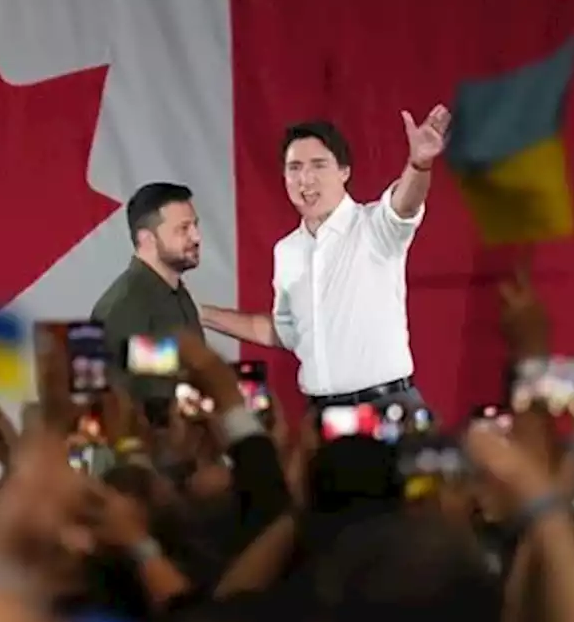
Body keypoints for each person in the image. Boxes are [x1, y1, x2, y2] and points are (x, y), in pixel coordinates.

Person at [200, 109, 449, 410]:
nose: (306, 179)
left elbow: (405, 205)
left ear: (344, 171)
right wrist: (200, 312)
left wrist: (419, 164)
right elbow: (284, 332)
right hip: (321, 414)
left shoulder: (374, 227)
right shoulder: (287, 251)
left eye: (318, 165)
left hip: (387, 407)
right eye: (295, 168)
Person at [92, 183, 205, 361]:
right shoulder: (123, 306)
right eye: (183, 228)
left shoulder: (179, 297)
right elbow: (119, 383)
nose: (197, 237)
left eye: (195, 226)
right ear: (147, 239)